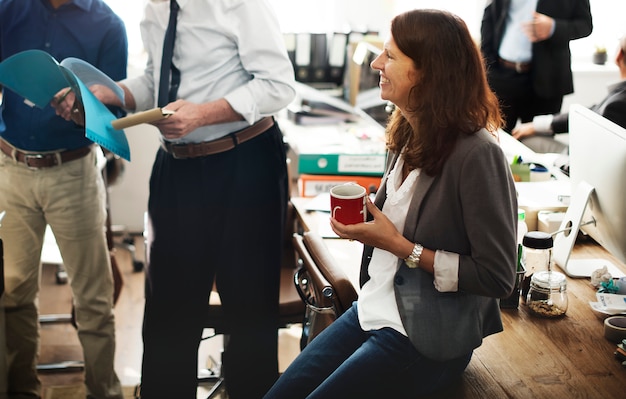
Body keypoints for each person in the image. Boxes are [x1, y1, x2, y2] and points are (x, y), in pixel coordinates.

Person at [264, 9, 518, 399]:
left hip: (425, 336)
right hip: (374, 308)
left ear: (430, 72)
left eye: (391, 56)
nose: (375, 63)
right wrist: (369, 222)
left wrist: (401, 246)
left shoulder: (478, 155)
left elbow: (498, 277)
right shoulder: (407, 130)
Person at [57, 1, 296, 397]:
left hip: (245, 164)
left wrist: (203, 114)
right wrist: (115, 93)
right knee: (167, 314)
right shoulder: (156, 9)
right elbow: (159, 80)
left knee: (249, 313)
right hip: (177, 167)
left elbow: (278, 85)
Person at [0, 0, 128, 398]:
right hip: (13, 168)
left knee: (92, 300)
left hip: (73, 173)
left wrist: (82, 110)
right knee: (13, 293)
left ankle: (102, 392)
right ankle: (21, 390)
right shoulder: (9, 9)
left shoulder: (108, 25)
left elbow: (114, 111)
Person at [480, 0, 593, 133]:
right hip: (501, 74)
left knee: (537, 143)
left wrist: (553, 27)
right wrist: (487, 61)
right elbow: (490, 15)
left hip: (547, 79)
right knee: (495, 138)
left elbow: (585, 25)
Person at [512, 33, 626, 154]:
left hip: (570, 162)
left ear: (618, 55)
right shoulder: (619, 97)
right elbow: (588, 113)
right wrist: (535, 126)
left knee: (523, 141)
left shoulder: (617, 104)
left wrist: (554, 163)